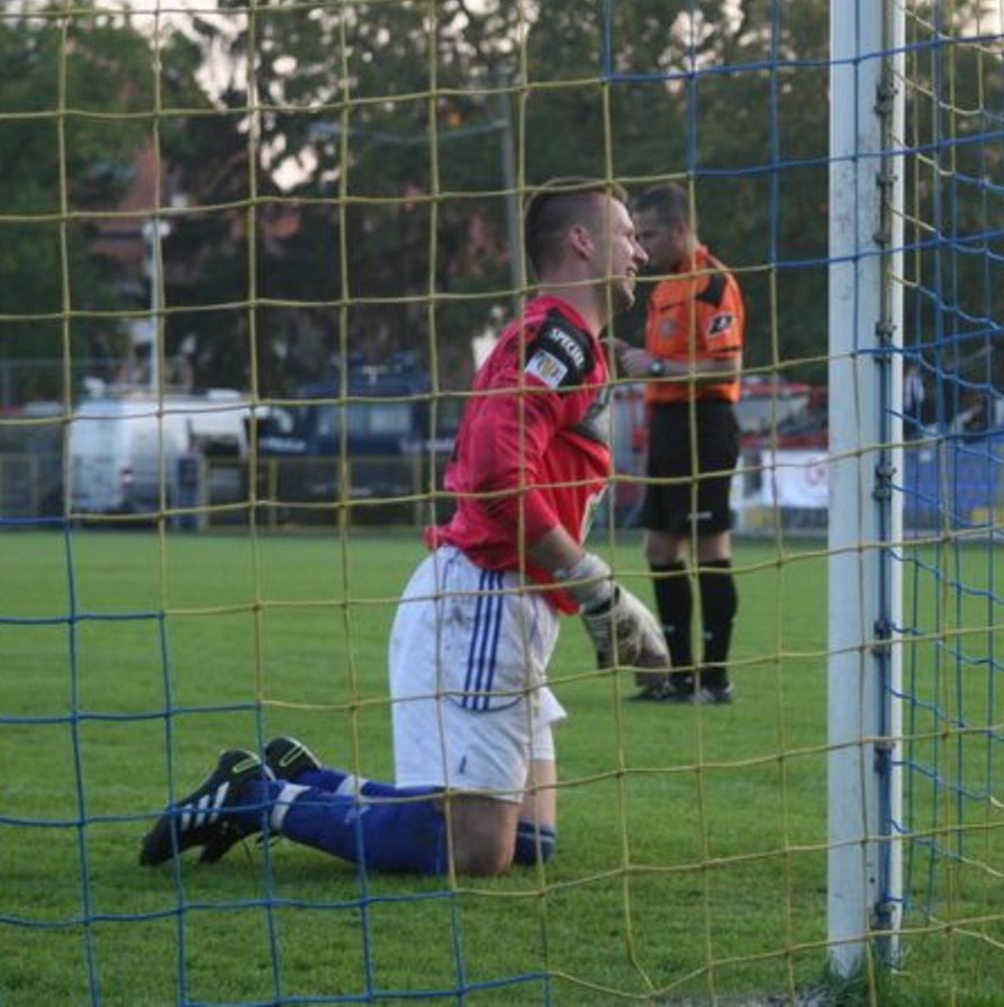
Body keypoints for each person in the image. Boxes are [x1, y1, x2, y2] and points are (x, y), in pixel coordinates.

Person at [138, 178, 668, 878]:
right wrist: (593, 584)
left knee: (529, 843)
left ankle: (314, 783)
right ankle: (257, 799)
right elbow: (492, 473)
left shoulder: (576, 346)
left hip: (514, 603)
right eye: (628, 235)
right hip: (484, 601)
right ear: (580, 241)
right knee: (473, 850)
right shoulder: (555, 341)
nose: (640, 253)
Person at [607, 182, 745, 705]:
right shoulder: (665, 286)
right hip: (664, 425)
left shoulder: (712, 283)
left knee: (710, 546)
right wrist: (634, 355)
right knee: (658, 546)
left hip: (705, 424)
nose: (642, 245)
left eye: (650, 234)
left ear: (682, 229)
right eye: (636, 234)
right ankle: (678, 675)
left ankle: (715, 677)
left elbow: (728, 364)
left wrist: (658, 365)